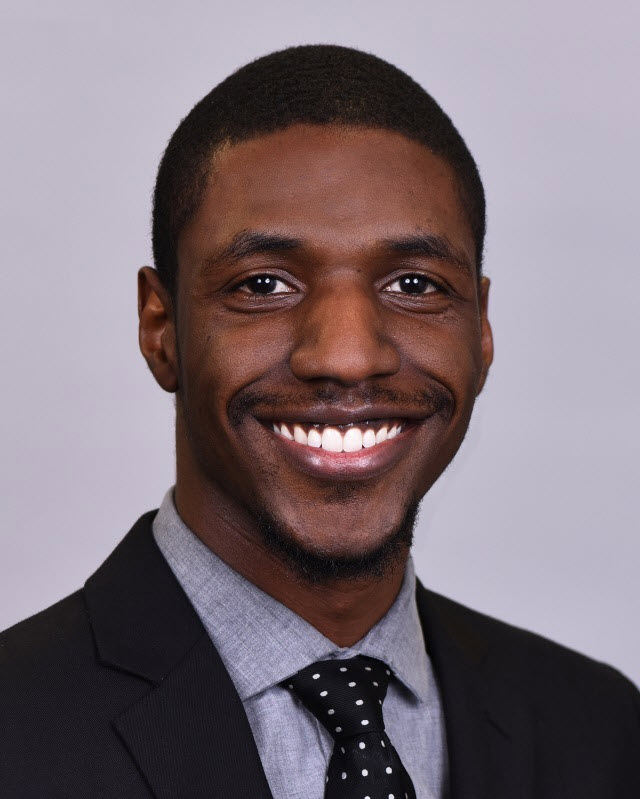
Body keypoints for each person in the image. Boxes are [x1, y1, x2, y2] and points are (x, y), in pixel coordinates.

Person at [1, 44, 638, 799]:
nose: (346, 355)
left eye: (414, 283)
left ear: (481, 328)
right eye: (264, 284)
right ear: (160, 326)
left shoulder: (603, 732)